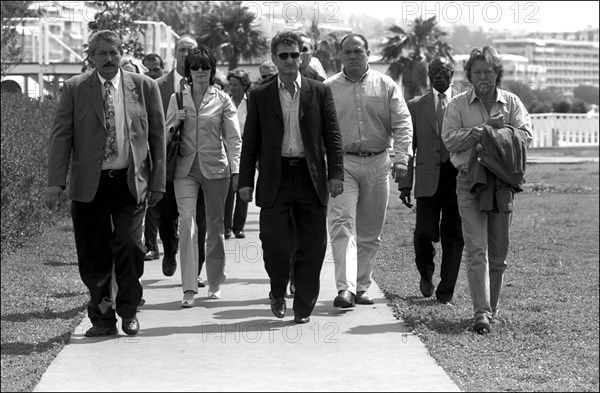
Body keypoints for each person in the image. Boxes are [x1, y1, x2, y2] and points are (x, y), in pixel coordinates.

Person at [45, 30, 165, 337]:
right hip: (90, 185)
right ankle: (103, 318)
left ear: (122, 54)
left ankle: (129, 310)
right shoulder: (75, 88)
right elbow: (61, 137)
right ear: (91, 57)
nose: (109, 59)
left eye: (114, 52)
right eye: (102, 53)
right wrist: (55, 183)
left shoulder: (144, 86)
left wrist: (157, 182)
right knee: (93, 254)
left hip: (129, 182)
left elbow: (157, 138)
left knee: (129, 244)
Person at [238, 31, 344, 324]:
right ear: (274, 58)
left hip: (310, 179)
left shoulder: (319, 91)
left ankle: (303, 305)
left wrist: (336, 173)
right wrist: (245, 180)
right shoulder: (259, 94)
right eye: (283, 55)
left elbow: (333, 137)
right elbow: (250, 141)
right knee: (274, 242)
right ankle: (277, 289)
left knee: (313, 244)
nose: (289, 60)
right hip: (276, 177)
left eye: (294, 55)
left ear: (302, 57)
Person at [442, 46, 532, 334]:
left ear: (497, 74)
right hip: (469, 183)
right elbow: (450, 141)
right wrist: (482, 130)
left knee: (498, 253)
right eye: (477, 72)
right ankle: (481, 314)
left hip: (501, 184)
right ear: (469, 75)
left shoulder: (512, 102)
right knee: (476, 250)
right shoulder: (456, 105)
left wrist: (498, 132)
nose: (483, 77)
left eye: (488, 72)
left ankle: (491, 311)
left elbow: (526, 137)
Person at [324, 33, 412, 308]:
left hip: (377, 163)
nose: (353, 56)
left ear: (368, 53)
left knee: (370, 231)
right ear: (341, 56)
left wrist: (401, 158)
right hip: (343, 165)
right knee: (341, 226)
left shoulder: (386, 85)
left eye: (358, 51)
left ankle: (362, 287)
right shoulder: (327, 88)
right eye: (347, 52)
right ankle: (345, 289)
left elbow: (402, 121)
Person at [165, 45, 241, 307]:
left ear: (211, 70)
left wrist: (237, 170)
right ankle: (188, 287)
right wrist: (176, 121)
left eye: (205, 67)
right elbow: (165, 135)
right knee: (186, 222)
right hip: (184, 168)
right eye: (195, 67)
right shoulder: (177, 98)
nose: (200, 71)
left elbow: (233, 139)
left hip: (215, 168)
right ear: (188, 71)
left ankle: (216, 281)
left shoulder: (222, 99)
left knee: (215, 227)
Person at [398, 57, 464, 305]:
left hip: (457, 178)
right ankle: (426, 274)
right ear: (428, 75)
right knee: (423, 233)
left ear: (452, 74)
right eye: (433, 71)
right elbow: (408, 147)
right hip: (427, 179)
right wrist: (405, 183)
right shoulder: (415, 106)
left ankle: (445, 291)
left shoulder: (463, 103)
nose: (438, 75)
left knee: (454, 235)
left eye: (443, 71)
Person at [155, 35, 208, 288]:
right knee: (167, 215)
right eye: (182, 49)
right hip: (169, 163)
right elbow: (155, 126)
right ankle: (169, 251)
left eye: (191, 50)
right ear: (174, 54)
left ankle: (195, 271)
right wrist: (174, 120)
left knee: (198, 218)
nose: (186, 54)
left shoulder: (209, 84)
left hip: (200, 165)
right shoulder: (159, 86)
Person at [224, 69, 252, 239]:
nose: (232, 88)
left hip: (246, 149)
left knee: (244, 187)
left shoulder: (251, 103)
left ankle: (238, 227)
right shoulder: (225, 101)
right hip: (227, 148)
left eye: (235, 85)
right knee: (227, 189)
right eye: (230, 84)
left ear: (244, 86)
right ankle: (226, 226)